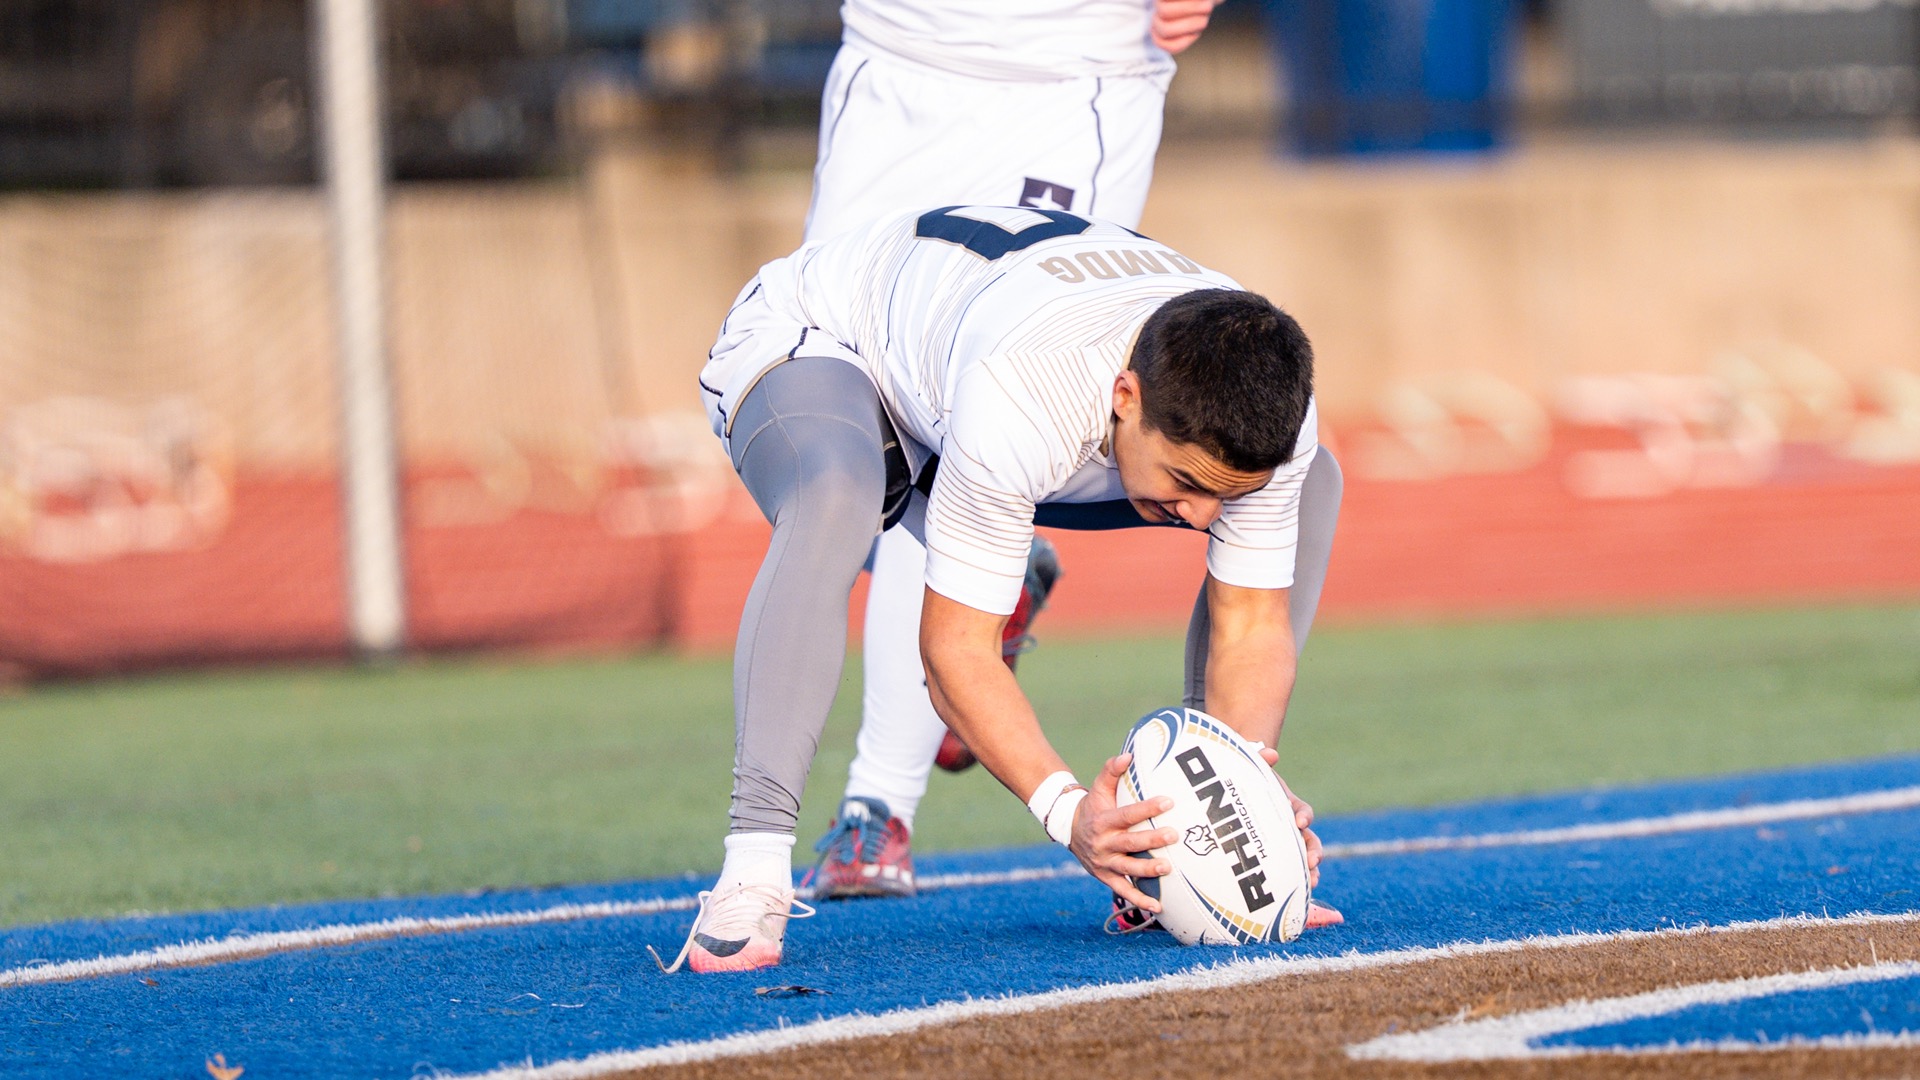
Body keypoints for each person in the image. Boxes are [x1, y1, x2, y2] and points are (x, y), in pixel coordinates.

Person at [652, 205, 1336, 974]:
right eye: (1186, 480)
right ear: (1127, 396)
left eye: (1229, 494)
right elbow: (950, 653)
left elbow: (1250, 624)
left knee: (1312, 486)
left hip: (965, 396)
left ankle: (1164, 857)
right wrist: (1073, 813)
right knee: (837, 494)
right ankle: (752, 873)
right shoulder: (1024, 389)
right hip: (827, 346)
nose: (1205, 516)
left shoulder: (1274, 406)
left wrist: (1241, 821)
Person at [801, 0, 1287, 901]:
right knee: (849, 433)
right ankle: (991, 579)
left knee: (955, 443)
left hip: (1070, 70)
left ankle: (879, 804)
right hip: (897, 49)